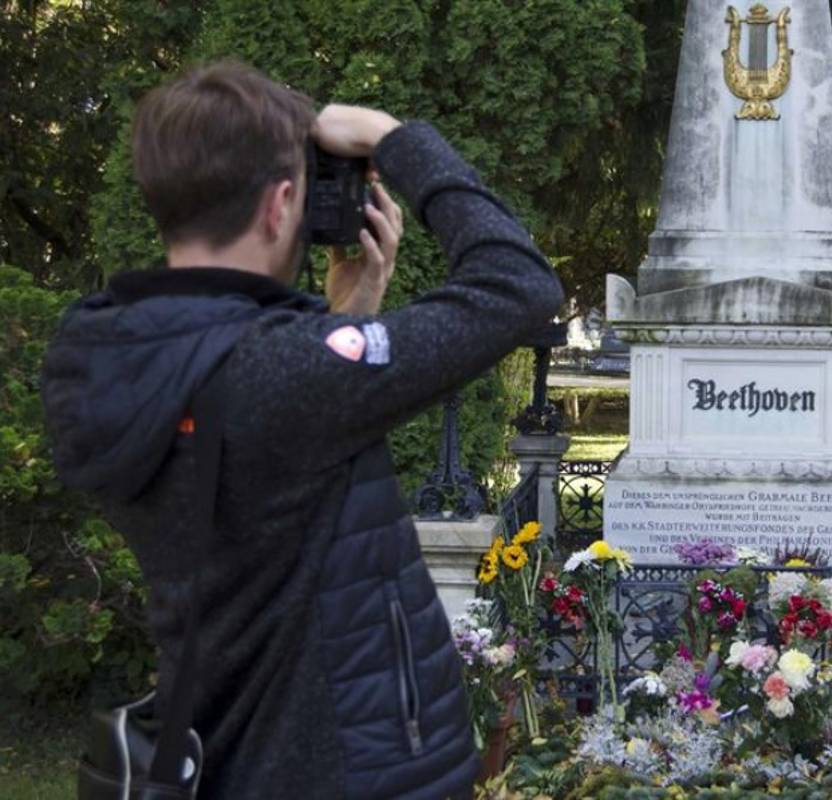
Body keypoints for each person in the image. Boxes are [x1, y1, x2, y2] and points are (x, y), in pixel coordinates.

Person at [40, 61, 563, 799]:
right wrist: (396, 139)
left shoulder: (96, 358)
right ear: (282, 203)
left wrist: (343, 326)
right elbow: (519, 287)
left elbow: (261, 472)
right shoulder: (287, 374)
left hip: (233, 749)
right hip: (354, 767)